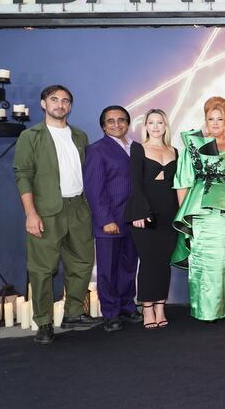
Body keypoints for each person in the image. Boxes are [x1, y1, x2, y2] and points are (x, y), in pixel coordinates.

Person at [13, 85, 103, 344]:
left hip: (78, 208)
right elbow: (23, 176)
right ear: (43, 104)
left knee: (82, 262)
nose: (60, 104)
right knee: (42, 269)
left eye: (65, 101)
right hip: (46, 211)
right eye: (54, 99)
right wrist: (31, 214)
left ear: (70, 107)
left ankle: (73, 313)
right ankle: (43, 323)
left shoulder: (80, 136)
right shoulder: (31, 136)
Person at [172, 97, 225, 321]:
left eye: (220, 119)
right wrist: (185, 215)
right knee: (205, 261)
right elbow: (183, 181)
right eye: (211, 119)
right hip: (202, 213)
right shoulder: (195, 145)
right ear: (205, 121)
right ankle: (206, 310)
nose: (215, 123)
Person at [84, 105, 141, 332]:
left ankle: (127, 305)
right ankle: (110, 312)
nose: (116, 124)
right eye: (111, 121)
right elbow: (94, 189)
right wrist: (105, 219)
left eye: (121, 120)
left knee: (128, 266)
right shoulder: (97, 150)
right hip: (109, 220)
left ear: (128, 123)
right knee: (108, 269)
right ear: (103, 125)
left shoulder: (136, 148)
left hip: (133, 219)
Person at [124, 109, 179, 329]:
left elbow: (178, 185)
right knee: (148, 261)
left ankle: (160, 307)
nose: (155, 126)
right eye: (151, 122)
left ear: (166, 126)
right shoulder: (138, 149)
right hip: (145, 213)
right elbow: (135, 183)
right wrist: (138, 212)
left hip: (170, 212)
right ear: (145, 126)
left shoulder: (175, 150)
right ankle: (147, 307)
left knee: (164, 262)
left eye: (160, 122)